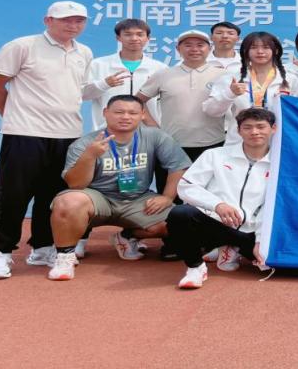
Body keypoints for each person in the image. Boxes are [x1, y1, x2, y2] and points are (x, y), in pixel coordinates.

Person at [0, 1, 93, 281]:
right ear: (48, 20)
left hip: (67, 134)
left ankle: (42, 247)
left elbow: (76, 90)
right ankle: (1, 252)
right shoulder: (22, 46)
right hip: (25, 133)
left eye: (79, 20)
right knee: (14, 195)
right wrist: (14, 117)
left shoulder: (84, 52)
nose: (73, 25)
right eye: (66, 20)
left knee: (52, 196)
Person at [46, 96, 193, 281]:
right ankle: (65, 257)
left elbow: (178, 166)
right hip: (98, 198)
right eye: (118, 112)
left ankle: (126, 237)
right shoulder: (86, 143)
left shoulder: (155, 136)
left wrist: (167, 197)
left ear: (142, 115)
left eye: (132, 113)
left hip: (136, 198)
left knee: (179, 221)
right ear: (105, 113)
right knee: (68, 201)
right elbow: (76, 185)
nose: (125, 117)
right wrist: (90, 156)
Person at [136, 30, 228, 258]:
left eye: (200, 45)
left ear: (209, 48)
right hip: (172, 145)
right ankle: (174, 244)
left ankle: (208, 242)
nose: (194, 49)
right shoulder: (164, 74)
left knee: (209, 195)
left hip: (212, 144)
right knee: (172, 196)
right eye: (188, 45)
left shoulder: (222, 74)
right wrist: (153, 127)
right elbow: (138, 100)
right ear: (178, 49)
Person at [167, 108, 278, 289]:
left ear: (273, 129)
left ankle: (232, 247)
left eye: (260, 127)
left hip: (251, 231)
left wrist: (260, 241)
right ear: (238, 130)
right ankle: (195, 268)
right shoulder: (215, 155)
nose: (254, 132)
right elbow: (186, 187)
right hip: (216, 225)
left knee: (297, 271)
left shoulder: (279, 163)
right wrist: (217, 205)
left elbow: (272, 205)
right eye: (247, 127)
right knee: (180, 214)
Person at [203, 31, 289, 143]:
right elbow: (211, 111)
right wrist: (230, 93)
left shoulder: (290, 79)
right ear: (245, 51)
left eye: (266, 47)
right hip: (239, 142)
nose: (260, 51)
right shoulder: (230, 79)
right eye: (254, 47)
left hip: (278, 143)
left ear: (276, 50)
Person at [83, 18, 167, 131]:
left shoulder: (160, 68)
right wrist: (105, 84)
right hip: (108, 131)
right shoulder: (99, 64)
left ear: (148, 38)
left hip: (148, 132)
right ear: (118, 37)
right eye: (128, 34)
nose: (134, 38)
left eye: (140, 34)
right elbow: (83, 95)